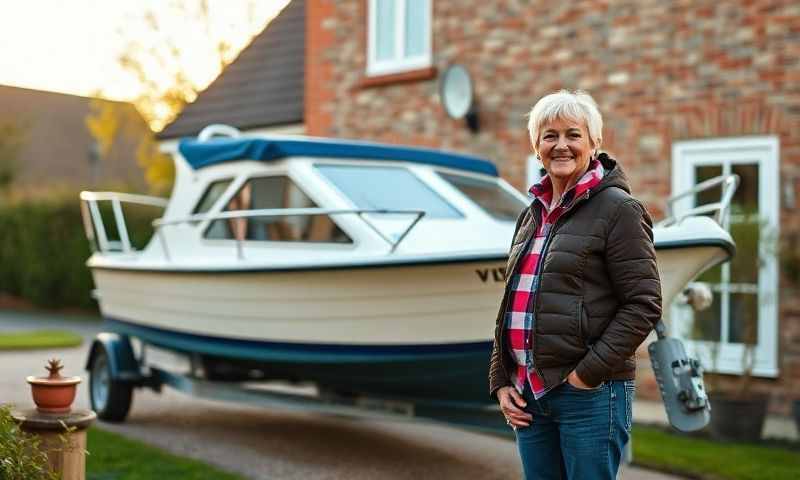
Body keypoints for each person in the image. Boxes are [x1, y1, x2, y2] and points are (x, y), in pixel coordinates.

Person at [488, 89, 662, 479]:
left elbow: (644, 304)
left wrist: (586, 375)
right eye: (549, 136)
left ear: (594, 144)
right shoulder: (531, 214)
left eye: (573, 134)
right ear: (536, 147)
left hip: (591, 395)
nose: (561, 145)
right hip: (530, 393)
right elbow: (514, 303)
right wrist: (501, 380)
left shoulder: (620, 210)